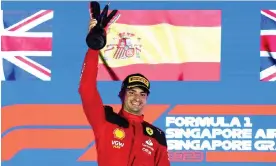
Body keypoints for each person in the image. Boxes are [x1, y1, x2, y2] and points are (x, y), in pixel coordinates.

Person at [79, 2, 170, 166]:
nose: (137, 98)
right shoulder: (105, 120)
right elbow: (86, 89)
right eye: (132, 92)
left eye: (142, 94)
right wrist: (94, 46)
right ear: (122, 94)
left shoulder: (157, 136)